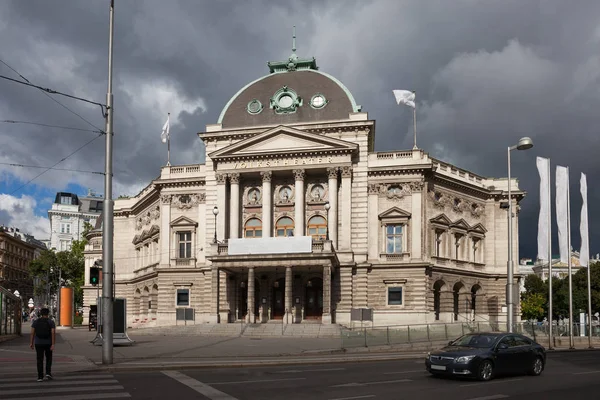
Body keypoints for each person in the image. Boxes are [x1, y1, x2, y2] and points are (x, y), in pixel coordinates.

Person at [30, 308, 55, 382]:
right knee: (49, 358)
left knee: (39, 359)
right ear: (48, 314)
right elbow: (53, 333)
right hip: (48, 343)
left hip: (38, 343)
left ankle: (40, 376)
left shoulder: (36, 322)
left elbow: (32, 333)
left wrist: (31, 343)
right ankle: (48, 373)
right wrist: (53, 344)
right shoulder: (50, 322)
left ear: (40, 313)